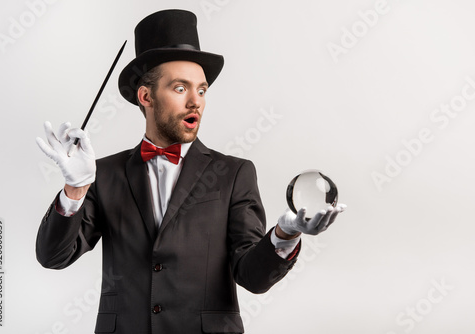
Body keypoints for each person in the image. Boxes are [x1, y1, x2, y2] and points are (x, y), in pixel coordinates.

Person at [35, 9, 346, 334]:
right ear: (146, 96)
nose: (196, 101)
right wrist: (74, 189)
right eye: (180, 88)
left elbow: (252, 277)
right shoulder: (105, 174)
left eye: (201, 90)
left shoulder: (234, 174)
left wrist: (285, 233)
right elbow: (53, 257)